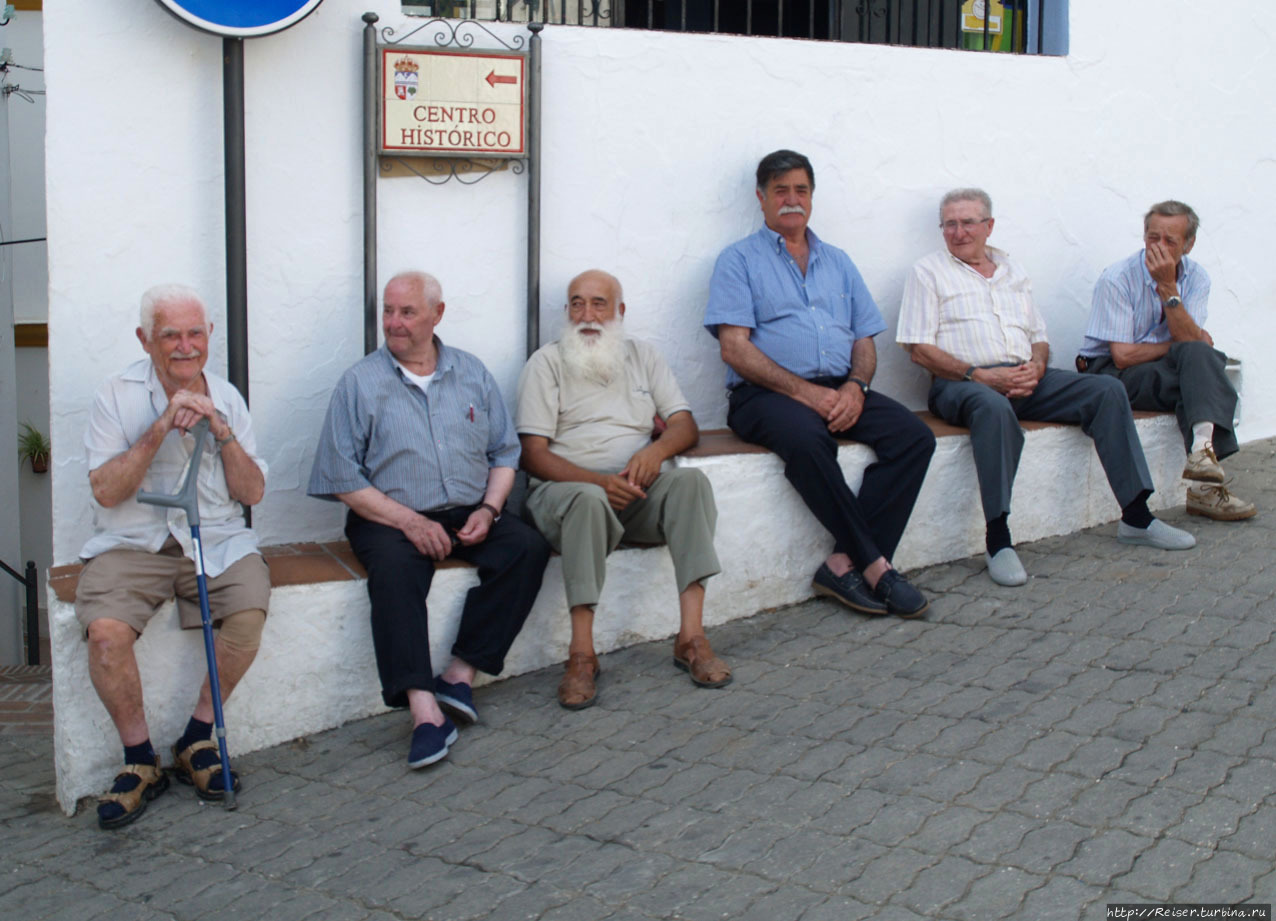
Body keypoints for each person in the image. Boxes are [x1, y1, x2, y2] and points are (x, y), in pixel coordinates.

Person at [308, 272, 550, 767]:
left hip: (468, 509)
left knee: (527, 549)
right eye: (389, 311)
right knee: (395, 577)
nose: (393, 323)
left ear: (437, 314)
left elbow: (505, 453)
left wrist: (489, 508)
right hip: (387, 515)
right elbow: (341, 476)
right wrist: (409, 523)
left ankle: (460, 674)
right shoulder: (360, 382)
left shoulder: (472, 373)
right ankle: (424, 713)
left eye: (407, 312)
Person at [898, 189, 1196, 586]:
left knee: (1105, 390)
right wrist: (981, 376)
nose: (958, 231)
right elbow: (917, 348)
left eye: (968, 222)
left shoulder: (1011, 269)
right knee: (993, 408)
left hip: (1024, 375)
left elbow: (1038, 335)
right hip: (961, 382)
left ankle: (1137, 518)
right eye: (949, 223)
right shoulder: (928, 271)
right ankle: (998, 539)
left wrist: (1037, 364)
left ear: (989, 226)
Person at [704, 149, 935, 618]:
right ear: (761, 198)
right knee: (810, 441)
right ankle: (876, 566)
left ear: (812, 197)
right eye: (780, 191)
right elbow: (735, 348)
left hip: (839, 388)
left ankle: (841, 563)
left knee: (914, 437)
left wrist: (856, 388)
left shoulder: (838, 261)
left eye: (801, 190)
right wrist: (807, 394)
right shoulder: (738, 261)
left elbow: (864, 338)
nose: (792, 200)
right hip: (763, 396)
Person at [77, 284, 270, 829]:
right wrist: (161, 424)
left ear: (209, 336)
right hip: (131, 544)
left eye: (195, 333)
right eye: (170, 335)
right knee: (106, 633)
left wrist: (222, 431)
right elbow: (106, 491)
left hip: (212, 538)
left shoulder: (228, 396)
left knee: (249, 611)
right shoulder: (115, 395)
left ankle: (196, 739)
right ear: (146, 340)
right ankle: (140, 761)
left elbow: (252, 493)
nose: (185, 346)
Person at [517, 270, 730, 710]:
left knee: (690, 483)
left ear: (619, 312)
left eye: (599, 304)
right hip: (565, 497)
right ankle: (582, 656)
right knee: (589, 500)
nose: (587, 315)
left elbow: (683, 424)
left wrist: (655, 454)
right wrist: (597, 482)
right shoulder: (547, 363)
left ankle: (691, 638)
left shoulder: (643, 357)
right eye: (577, 303)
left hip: (633, 495)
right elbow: (532, 454)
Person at [1079, 200, 1254, 521]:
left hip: (1160, 368)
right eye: (1152, 238)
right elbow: (1123, 354)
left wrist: (1169, 289)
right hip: (1112, 373)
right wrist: (1178, 345)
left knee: (1202, 366)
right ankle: (1204, 486)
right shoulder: (1118, 278)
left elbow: (1190, 344)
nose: (1158, 247)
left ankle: (1202, 456)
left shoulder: (1197, 278)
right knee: (1205, 366)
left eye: (1169, 241)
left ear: (1188, 245)